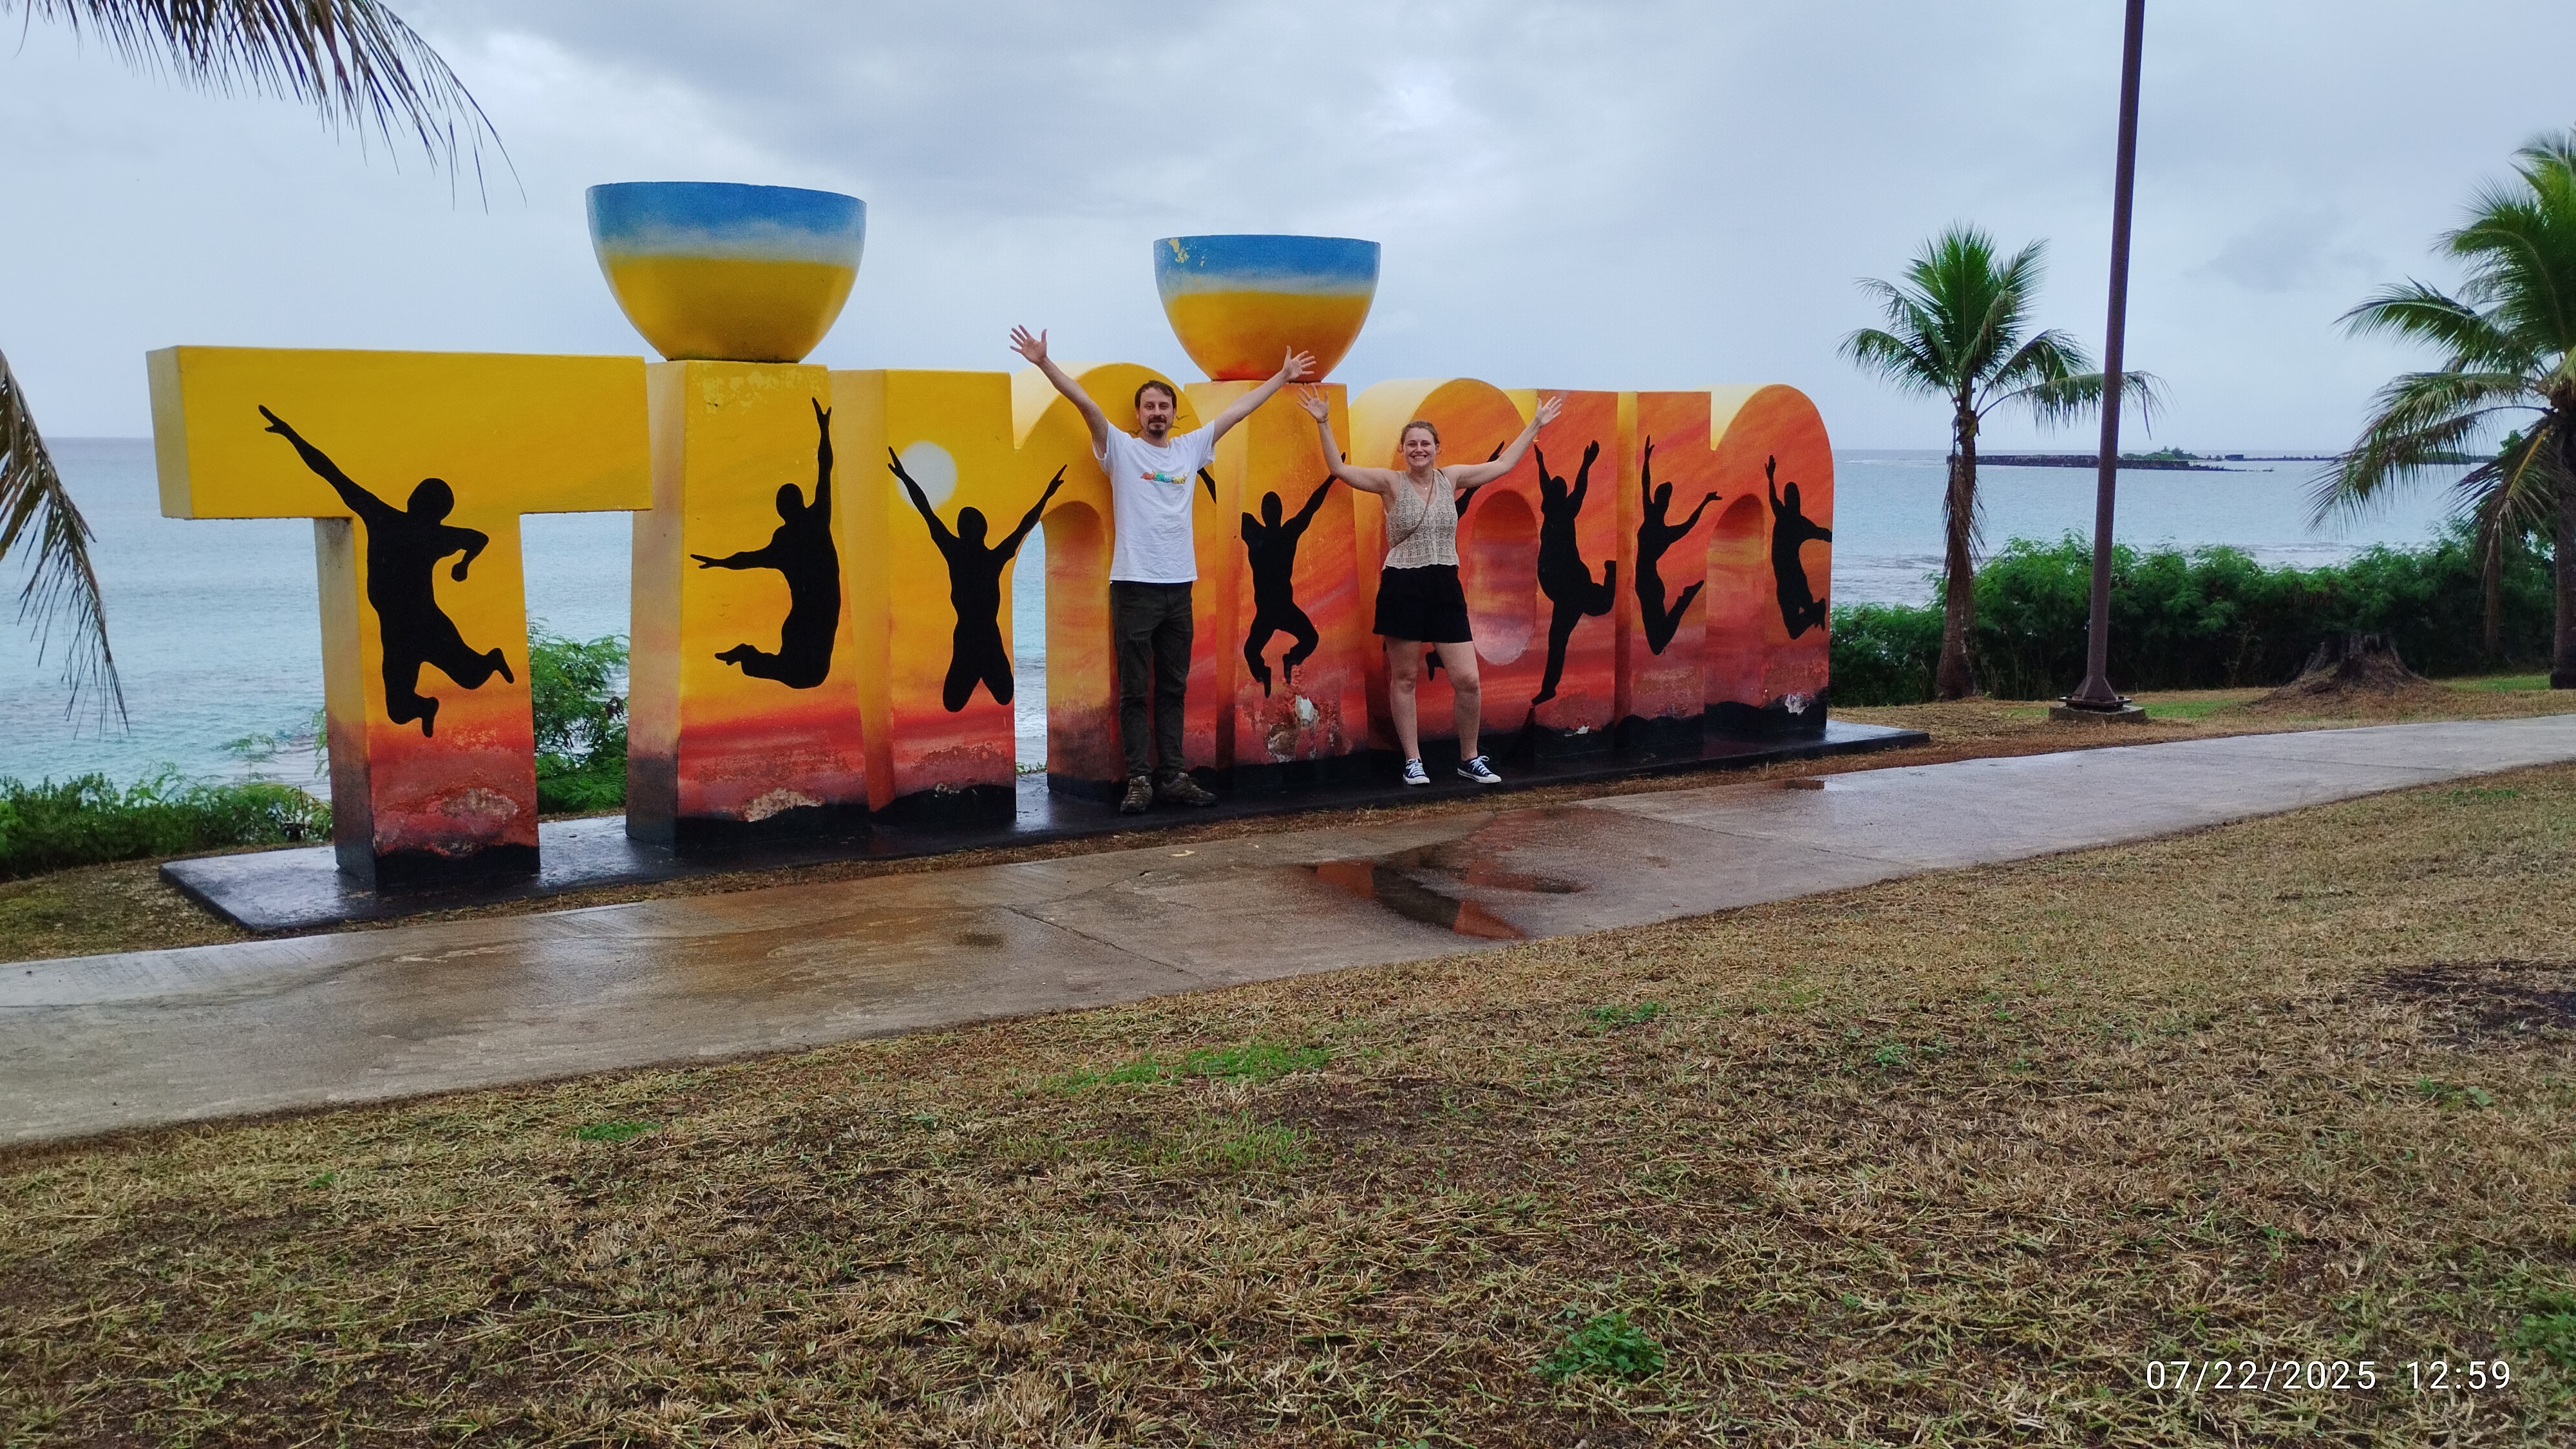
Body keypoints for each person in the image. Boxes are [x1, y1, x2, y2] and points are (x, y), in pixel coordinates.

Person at [1010, 325, 1312, 814]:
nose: (1157, 413)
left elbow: (1236, 412)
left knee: (1173, 687)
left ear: (1174, 414)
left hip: (1179, 588)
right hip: (1134, 586)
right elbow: (1086, 405)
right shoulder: (1121, 451)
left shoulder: (1189, 449)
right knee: (1135, 691)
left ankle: (1172, 775)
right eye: (1149, 406)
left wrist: (1281, 377)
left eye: (1164, 407)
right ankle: (1139, 781)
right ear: (1139, 414)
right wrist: (1045, 363)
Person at [1297, 386, 1564, 786]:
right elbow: (1339, 469)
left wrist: (1536, 424)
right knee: (1404, 677)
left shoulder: (1452, 477)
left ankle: (1469, 757)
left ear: (1438, 447)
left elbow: (1505, 464)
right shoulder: (1390, 483)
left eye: (1426, 443)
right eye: (1412, 444)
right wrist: (1323, 421)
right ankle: (1413, 760)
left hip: (1444, 585)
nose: (1419, 449)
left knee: (1468, 679)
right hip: (1403, 584)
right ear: (1402, 449)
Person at [260, 406, 511, 737]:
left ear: (415, 502)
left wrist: (292, 436)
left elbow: (332, 473)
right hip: (398, 632)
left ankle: (491, 658)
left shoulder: (397, 522)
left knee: (470, 678)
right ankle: (426, 706)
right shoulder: (402, 524)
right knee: (398, 708)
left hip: (427, 625)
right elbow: (331, 474)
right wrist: (462, 564)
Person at [891, 452, 1064, 710]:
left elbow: (926, 510)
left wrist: (906, 478)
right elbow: (1023, 526)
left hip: (975, 638)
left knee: (998, 696)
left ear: (964, 531)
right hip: (978, 638)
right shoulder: (987, 557)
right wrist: (1046, 496)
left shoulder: (959, 553)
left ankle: (978, 668)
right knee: (962, 701)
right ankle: (978, 669)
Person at [692, 399, 841, 689]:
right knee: (805, 676)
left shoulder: (789, 539)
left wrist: (721, 562)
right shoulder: (816, 519)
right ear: (798, 504)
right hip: (815, 618)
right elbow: (825, 469)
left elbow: (748, 558)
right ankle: (747, 656)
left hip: (809, 621)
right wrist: (824, 431)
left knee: (803, 675)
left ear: (781, 512)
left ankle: (746, 656)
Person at [1530, 440, 1618, 705]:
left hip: (1571, 586)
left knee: (1566, 632)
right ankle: (1549, 688)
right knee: (1561, 636)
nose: (1549, 493)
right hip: (1564, 587)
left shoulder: (1566, 512)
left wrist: (1586, 463)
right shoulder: (1554, 508)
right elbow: (1546, 482)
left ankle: (1612, 574)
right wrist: (1541, 462)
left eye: (1554, 492)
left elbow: (1579, 489)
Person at [1239, 478, 1332, 697]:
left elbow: (1312, 507)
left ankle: (1288, 659)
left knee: (1310, 639)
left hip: (1281, 609)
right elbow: (1224, 502)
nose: (1270, 512)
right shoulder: (1264, 533)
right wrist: (1330, 479)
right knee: (1251, 651)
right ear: (1265, 513)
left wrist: (1332, 478)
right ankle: (1268, 670)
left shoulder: (1272, 533)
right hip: (1270, 612)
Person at [1633, 437, 1724, 656]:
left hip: (1646, 583)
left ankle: (1685, 599)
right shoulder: (1664, 531)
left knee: (1657, 643)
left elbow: (1646, 484)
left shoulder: (1651, 519)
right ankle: (1685, 599)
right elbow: (1688, 525)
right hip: (1649, 584)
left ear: (1659, 501)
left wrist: (1646, 459)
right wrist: (1704, 502)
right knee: (1658, 641)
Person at [1766, 455, 1833, 638]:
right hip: (1789, 581)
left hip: (1792, 581)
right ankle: (1817, 610)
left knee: (1794, 630)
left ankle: (1817, 609)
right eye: (1788, 496)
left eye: (1790, 496)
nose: (1788, 499)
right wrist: (1770, 478)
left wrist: (1771, 478)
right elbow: (1822, 533)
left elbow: (1822, 533)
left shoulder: (1790, 518)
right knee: (1794, 630)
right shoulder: (1790, 517)